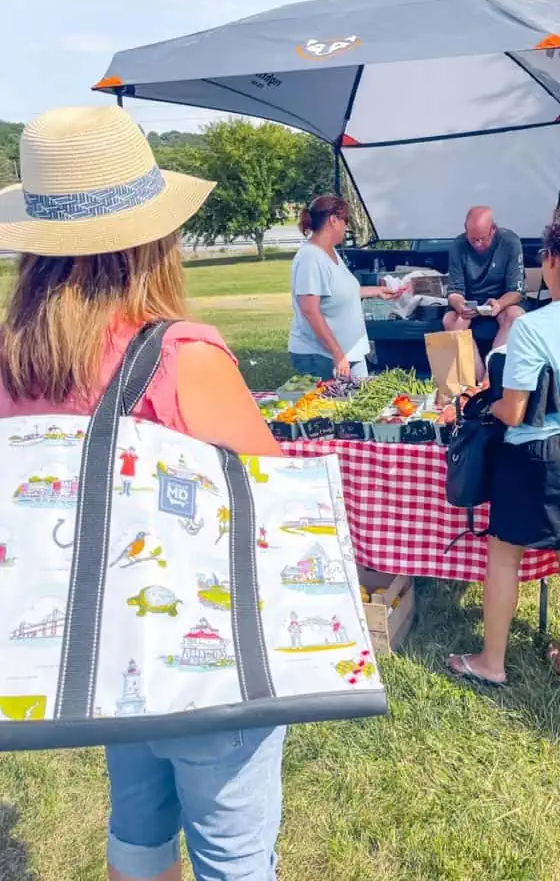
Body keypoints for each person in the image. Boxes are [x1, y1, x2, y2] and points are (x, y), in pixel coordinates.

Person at [0, 105, 286, 881]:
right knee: (233, 853)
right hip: (204, 658)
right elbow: (279, 507)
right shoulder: (181, 358)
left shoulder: (15, 365)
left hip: (102, 650)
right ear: (152, 236)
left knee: (137, 828)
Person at [448, 206, 560, 686]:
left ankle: (492, 661)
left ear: (550, 260)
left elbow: (513, 410)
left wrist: (478, 403)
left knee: (504, 554)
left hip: (540, 453)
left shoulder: (532, 326)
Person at [289, 194, 395, 379]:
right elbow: (310, 310)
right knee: (330, 407)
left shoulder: (331, 252)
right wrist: (337, 353)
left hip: (350, 351)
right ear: (333, 220)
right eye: (345, 221)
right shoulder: (310, 258)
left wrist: (377, 292)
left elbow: (340, 292)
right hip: (322, 356)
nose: (346, 227)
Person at [444, 206, 527, 380]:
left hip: (502, 300)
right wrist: (459, 304)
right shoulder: (458, 246)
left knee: (516, 316)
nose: (478, 244)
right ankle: (478, 379)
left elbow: (516, 291)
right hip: (470, 302)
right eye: (473, 239)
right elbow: (454, 291)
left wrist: (500, 304)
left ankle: (491, 378)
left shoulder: (510, 242)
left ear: (493, 230)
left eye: (483, 239)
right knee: (450, 320)